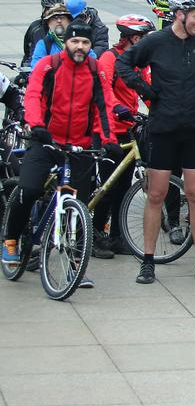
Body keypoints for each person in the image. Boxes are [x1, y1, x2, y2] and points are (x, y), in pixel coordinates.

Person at [115, 0, 195, 284]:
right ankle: (148, 261)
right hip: (162, 128)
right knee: (155, 195)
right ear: (179, 15)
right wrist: (144, 89)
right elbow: (123, 64)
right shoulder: (156, 41)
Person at [2, 23, 116, 284]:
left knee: (79, 207)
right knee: (29, 189)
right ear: (67, 42)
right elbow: (32, 97)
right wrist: (37, 125)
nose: (80, 47)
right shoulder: (49, 66)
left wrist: (107, 139)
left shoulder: (96, 71)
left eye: (85, 43)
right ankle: (10, 240)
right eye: (75, 42)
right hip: (46, 141)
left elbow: (104, 105)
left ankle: (75, 267)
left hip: (80, 145)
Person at [94, 14, 155, 256]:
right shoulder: (109, 58)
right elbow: (103, 91)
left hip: (129, 130)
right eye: (145, 38)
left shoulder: (139, 62)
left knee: (123, 186)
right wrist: (116, 109)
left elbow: (147, 91)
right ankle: (97, 234)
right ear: (134, 38)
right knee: (108, 187)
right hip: (108, 130)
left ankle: (117, 236)